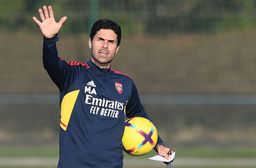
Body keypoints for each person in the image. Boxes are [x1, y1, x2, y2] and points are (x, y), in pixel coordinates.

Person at [33, 5, 173, 168]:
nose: (105, 46)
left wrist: (159, 145)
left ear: (117, 48)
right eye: (100, 39)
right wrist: (50, 40)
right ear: (90, 43)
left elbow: (139, 115)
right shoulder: (73, 74)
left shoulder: (126, 83)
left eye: (111, 42)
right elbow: (51, 64)